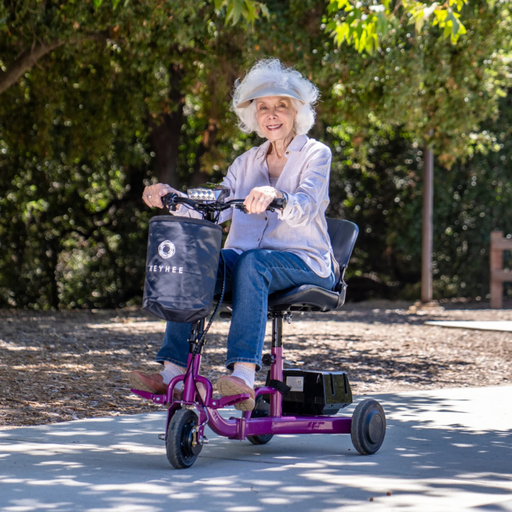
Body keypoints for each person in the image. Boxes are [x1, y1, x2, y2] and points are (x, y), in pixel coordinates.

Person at [130, 58, 338, 411]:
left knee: (254, 264)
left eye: (281, 106)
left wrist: (277, 196)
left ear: (296, 111)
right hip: (250, 262)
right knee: (200, 258)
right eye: (263, 107)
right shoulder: (245, 163)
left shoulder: (316, 154)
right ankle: (173, 374)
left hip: (306, 260)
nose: (272, 114)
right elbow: (215, 208)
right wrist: (170, 197)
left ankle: (242, 375)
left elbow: (305, 205)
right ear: (254, 116)